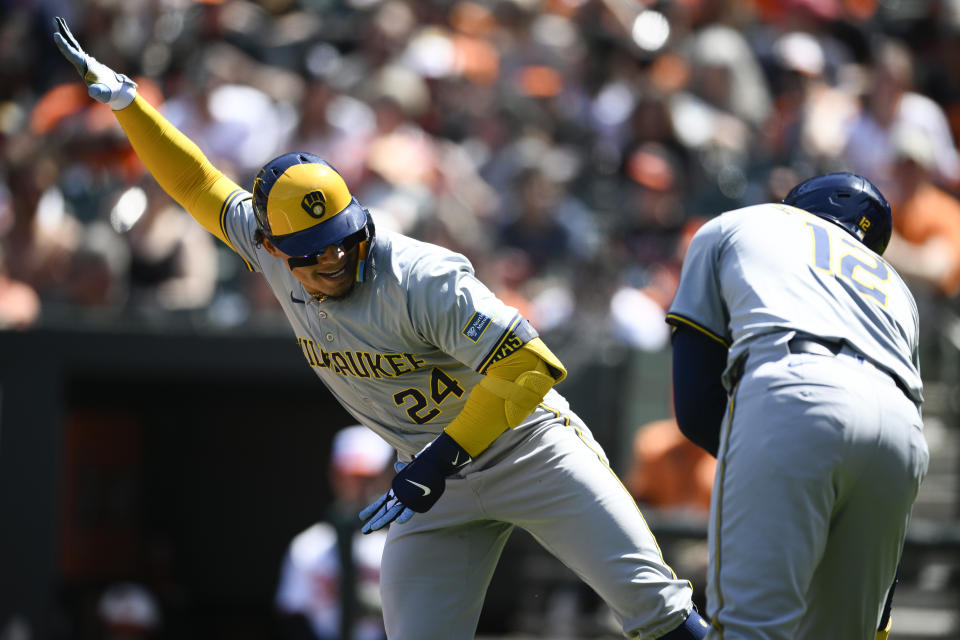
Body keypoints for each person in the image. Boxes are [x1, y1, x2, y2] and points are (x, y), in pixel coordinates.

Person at [53, 18, 709, 640]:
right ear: (274, 248)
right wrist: (130, 107)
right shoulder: (264, 241)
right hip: (436, 486)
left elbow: (530, 365)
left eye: (341, 238)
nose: (334, 257)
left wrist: (442, 455)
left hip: (527, 449)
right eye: (313, 249)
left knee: (660, 614)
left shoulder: (419, 275)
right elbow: (196, 183)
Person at [666, 171, 929, 639]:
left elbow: (696, 403)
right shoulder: (898, 292)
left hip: (795, 390)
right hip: (902, 430)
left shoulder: (738, 223)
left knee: (751, 630)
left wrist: (766, 478)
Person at [275, 425, 395, 640]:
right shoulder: (307, 547)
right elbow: (292, 616)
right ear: (334, 474)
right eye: (350, 475)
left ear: (386, 477)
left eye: (368, 477)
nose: (359, 486)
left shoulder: (399, 542)